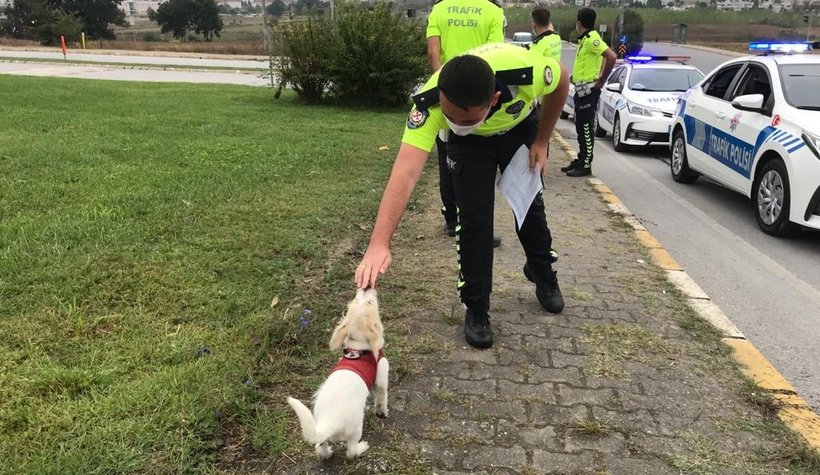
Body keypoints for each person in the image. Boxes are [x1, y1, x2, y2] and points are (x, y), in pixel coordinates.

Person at [355, 43, 570, 349]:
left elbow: (562, 79)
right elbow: (405, 172)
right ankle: (477, 307)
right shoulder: (428, 105)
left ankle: (543, 272)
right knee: (473, 222)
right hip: (469, 148)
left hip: (518, 129)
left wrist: (542, 140)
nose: (456, 123)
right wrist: (379, 242)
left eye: (465, 119)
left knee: (529, 205)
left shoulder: (527, 72)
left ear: (494, 99)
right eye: (450, 116)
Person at [426, 0, 505, 246]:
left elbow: (432, 53)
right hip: (477, 99)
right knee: (479, 167)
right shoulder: (493, 11)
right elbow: (496, 55)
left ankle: (452, 220)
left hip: (448, 98)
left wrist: (445, 88)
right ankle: (478, 227)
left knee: (447, 160)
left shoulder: (439, 9)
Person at [562, 7, 616, 177]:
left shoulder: (593, 39)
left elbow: (611, 56)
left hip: (589, 90)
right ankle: (581, 158)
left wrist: (601, 80)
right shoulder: (584, 39)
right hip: (581, 89)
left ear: (579, 23)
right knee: (580, 125)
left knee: (586, 126)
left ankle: (586, 163)